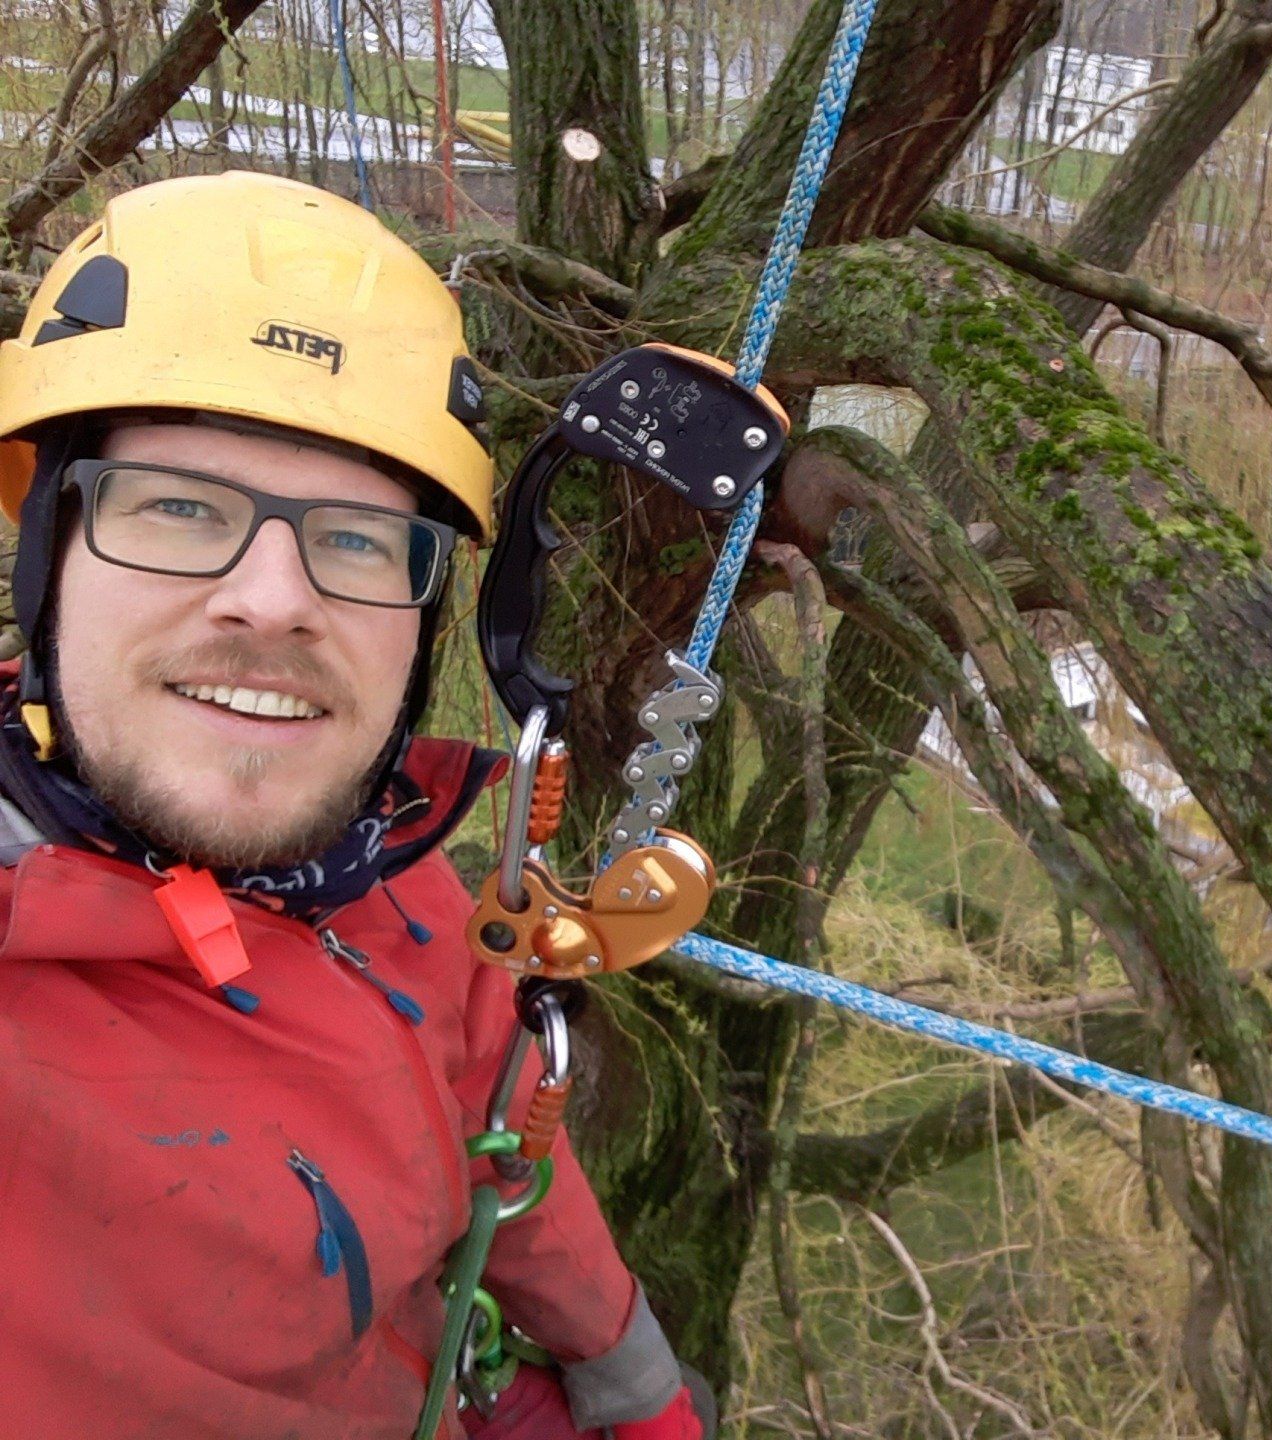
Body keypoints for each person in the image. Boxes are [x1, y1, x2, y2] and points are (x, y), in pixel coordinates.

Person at [0, 172, 713, 1438]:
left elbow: (506, 1131)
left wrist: (631, 1384)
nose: (271, 600)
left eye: (357, 541)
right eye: (178, 507)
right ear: (46, 551)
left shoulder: (383, 863)